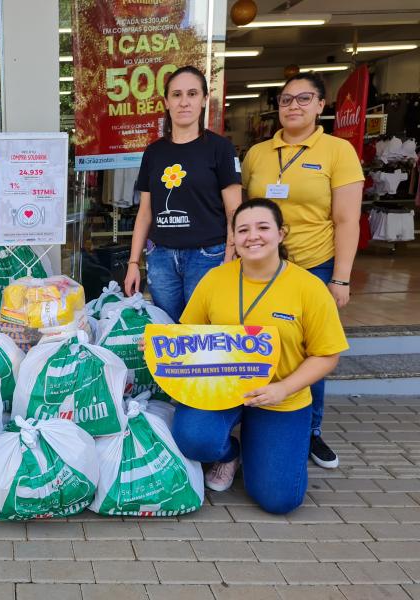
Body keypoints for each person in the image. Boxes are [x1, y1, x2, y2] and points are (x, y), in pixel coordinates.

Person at [170, 199, 348, 514]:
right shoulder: (215, 279)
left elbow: (327, 355)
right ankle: (229, 453)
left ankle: (264, 443)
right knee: (193, 437)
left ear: (281, 234)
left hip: (280, 396)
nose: (253, 236)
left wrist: (284, 388)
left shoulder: (309, 287)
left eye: (263, 228)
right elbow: (189, 333)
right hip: (220, 391)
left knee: (279, 500)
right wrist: (161, 346)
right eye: (243, 230)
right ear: (234, 239)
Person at [242, 72, 364, 469]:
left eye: (303, 99)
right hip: (261, 267)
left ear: (320, 105)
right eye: (285, 100)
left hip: (313, 264)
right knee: (257, 339)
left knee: (312, 350)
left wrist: (340, 277)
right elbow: (244, 213)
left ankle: (309, 430)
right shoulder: (259, 154)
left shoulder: (337, 151)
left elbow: (347, 220)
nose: (293, 106)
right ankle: (254, 414)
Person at [124, 65, 242, 322]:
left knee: (202, 331)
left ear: (203, 100)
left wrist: (230, 256)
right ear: (166, 102)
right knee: (167, 329)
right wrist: (134, 263)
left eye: (192, 94)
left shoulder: (220, 149)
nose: (184, 102)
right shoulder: (154, 152)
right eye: (176, 95)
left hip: (208, 256)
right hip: (161, 258)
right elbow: (145, 213)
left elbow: (235, 210)